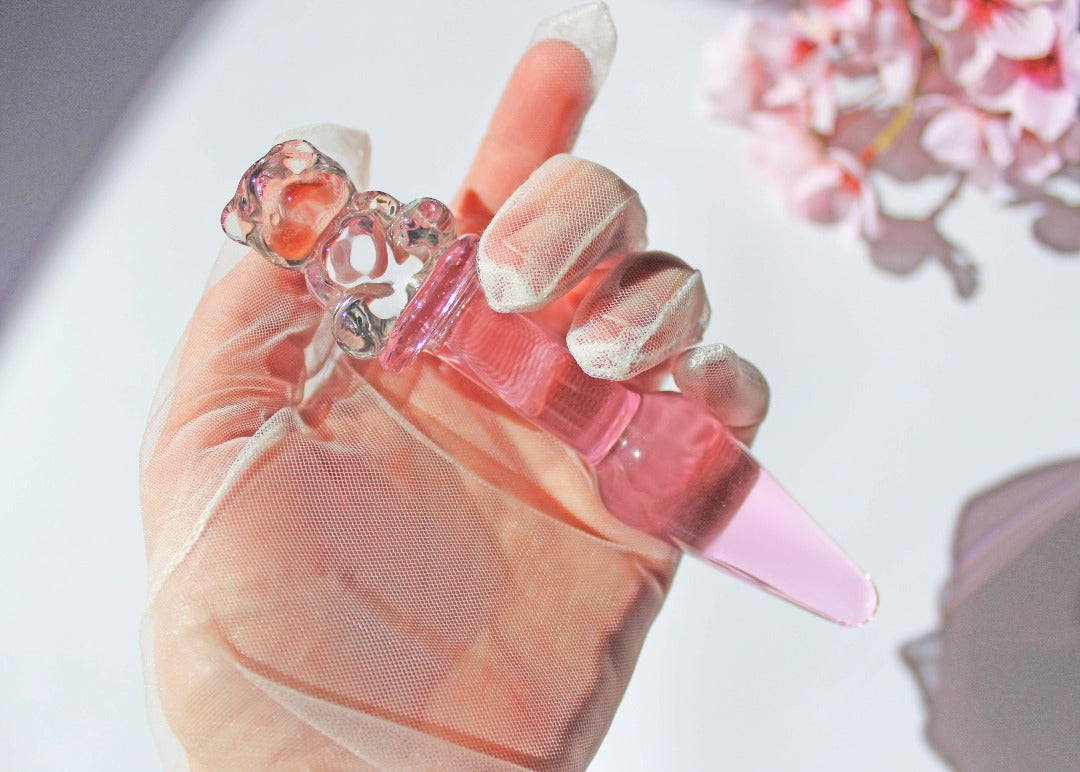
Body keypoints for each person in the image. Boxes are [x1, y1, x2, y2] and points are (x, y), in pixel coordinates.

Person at [140, 4, 769, 768]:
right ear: (273, 242)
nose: (304, 207)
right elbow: (359, 319)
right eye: (283, 216)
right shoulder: (330, 285)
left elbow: (434, 225)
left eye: (306, 188)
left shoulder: (387, 221)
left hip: (465, 306)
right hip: (431, 332)